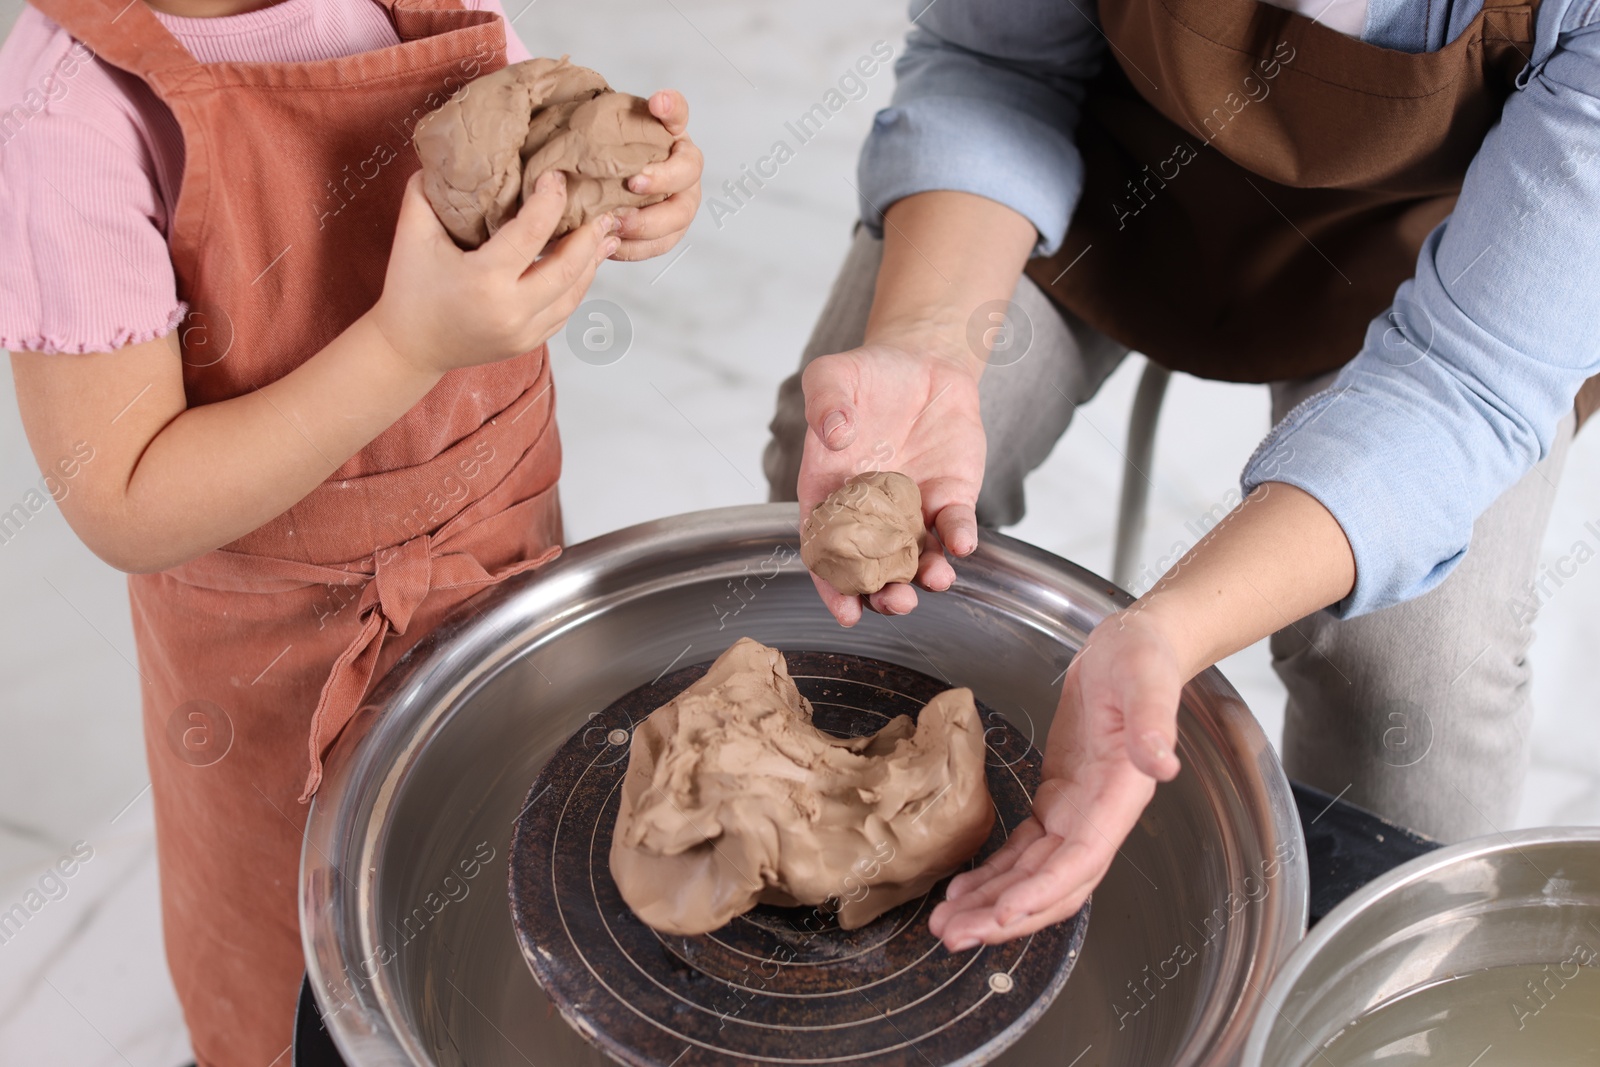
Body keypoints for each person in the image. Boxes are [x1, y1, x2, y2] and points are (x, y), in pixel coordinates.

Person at [766, 0, 1600, 952]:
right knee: (858, 479)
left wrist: (1168, 633)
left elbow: (1467, 380)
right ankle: (886, 840)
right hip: (1093, 157)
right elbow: (996, 68)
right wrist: (924, 344)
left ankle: (1364, 989)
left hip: (1451, 258)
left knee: (1419, 674)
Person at [0, 0, 701, 1060]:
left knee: (509, 883)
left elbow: (526, 173)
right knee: (301, 955)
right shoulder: (73, 112)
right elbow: (127, 497)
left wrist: (626, 195)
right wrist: (406, 346)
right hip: (272, 658)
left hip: (499, 561)